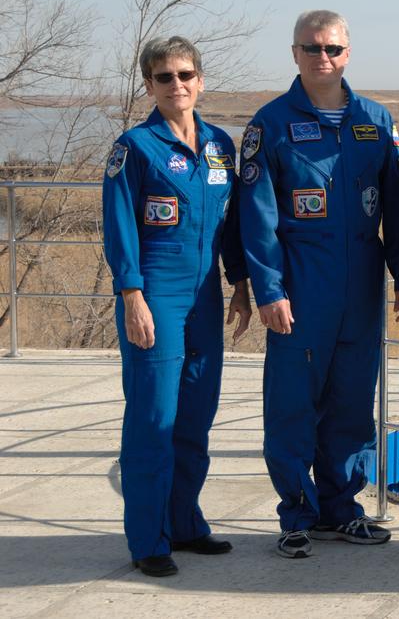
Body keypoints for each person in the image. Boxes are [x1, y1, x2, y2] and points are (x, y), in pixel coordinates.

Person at [238, 10, 399, 559]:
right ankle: (296, 514)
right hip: (301, 292)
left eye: (333, 49)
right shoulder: (270, 125)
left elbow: (397, 209)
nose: (323, 59)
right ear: (294, 54)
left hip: (360, 293)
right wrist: (268, 289)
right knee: (293, 407)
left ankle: (343, 509)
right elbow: (257, 217)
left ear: (348, 52)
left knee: (351, 407)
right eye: (312, 49)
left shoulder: (375, 120)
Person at [102, 36, 252, 576]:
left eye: (185, 75)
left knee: (195, 415)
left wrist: (240, 284)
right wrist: (132, 295)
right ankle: (148, 540)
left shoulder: (219, 146)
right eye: (164, 78)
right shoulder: (135, 147)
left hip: (205, 295)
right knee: (154, 418)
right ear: (149, 85)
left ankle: (185, 524)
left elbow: (230, 225)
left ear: (200, 80)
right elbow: (118, 227)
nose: (177, 85)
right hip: (155, 295)